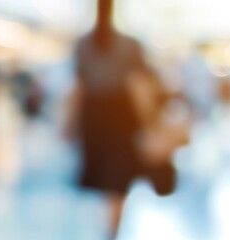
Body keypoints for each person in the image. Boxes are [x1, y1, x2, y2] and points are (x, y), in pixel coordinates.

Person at [70, 0, 190, 237]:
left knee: (109, 180)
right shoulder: (128, 45)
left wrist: (72, 123)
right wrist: (150, 123)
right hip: (121, 118)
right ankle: (112, 230)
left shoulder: (83, 44)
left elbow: (79, 87)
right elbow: (138, 87)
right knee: (117, 180)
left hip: (93, 118)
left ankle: (110, 227)